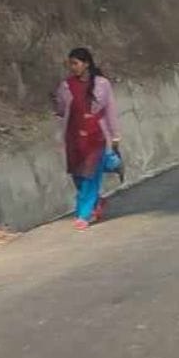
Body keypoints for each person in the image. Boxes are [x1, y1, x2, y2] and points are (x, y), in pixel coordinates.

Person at [54, 46, 121, 230]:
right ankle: (97, 201)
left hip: (96, 136)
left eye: (75, 63)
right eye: (70, 64)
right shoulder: (66, 86)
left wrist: (115, 135)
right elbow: (60, 110)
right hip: (74, 138)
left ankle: (83, 214)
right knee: (78, 176)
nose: (72, 67)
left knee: (90, 177)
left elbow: (110, 110)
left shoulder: (102, 84)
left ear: (86, 64)